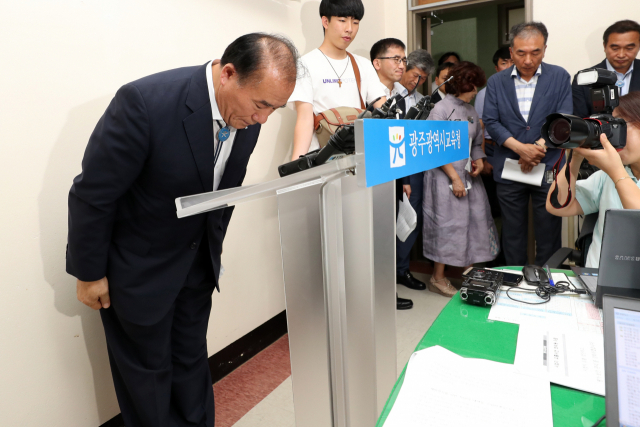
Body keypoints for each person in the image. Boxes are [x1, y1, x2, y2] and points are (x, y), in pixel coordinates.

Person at [66, 33, 299, 427]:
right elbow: (93, 193)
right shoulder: (146, 102)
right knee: (147, 378)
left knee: (191, 362)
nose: (263, 119)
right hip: (139, 270)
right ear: (228, 74)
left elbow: (222, 194)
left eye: (274, 109)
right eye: (261, 105)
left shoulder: (248, 118)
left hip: (195, 268)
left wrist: (212, 256)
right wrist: (89, 273)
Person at [483, 22, 572, 267]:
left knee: (549, 230)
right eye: (521, 53)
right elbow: (491, 120)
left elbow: (563, 117)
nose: (528, 59)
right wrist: (521, 149)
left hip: (548, 164)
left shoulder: (560, 76)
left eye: (536, 52)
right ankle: (514, 280)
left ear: (544, 49)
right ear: (511, 52)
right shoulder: (496, 82)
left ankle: (547, 281)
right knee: (512, 231)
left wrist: (537, 148)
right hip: (510, 165)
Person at [423, 61, 499, 296]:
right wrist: (454, 178)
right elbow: (434, 148)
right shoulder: (440, 110)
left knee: (475, 223)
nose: (476, 92)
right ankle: (438, 277)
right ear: (462, 85)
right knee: (447, 225)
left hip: (468, 176)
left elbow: (476, 144)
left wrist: (479, 161)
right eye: (473, 87)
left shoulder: (472, 111)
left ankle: (470, 274)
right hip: (443, 177)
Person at [546, 92, 640, 267]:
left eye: (620, 125)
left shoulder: (613, 173)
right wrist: (575, 160)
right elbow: (557, 206)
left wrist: (616, 171)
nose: (612, 135)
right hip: (595, 281)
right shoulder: (606, 177)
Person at [289, 0, 387, 161]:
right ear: (325, 21)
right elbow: (305, 119)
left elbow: (384, 109)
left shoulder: (363, 65)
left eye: (355, 22)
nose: (350, 28)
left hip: (359, 158)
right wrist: (296, 165)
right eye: (342, 21)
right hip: (321, 158)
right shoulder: (305, 64)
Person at [370, 37, 415, 309]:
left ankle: (387, 291)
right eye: (395, 59)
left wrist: (405, 180)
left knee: (389, 234)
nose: (401, 65)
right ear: (377, 63)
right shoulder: (367, 92)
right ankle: (377, 293)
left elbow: (403, 138)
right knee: (374, 236)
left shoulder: (401, 95)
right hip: (373, 174)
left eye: (403, 59)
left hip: (394, 174)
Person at [394, 50, 436, 297]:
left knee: (410, 221)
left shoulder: (422, 101)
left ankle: (402, 269)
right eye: (415, 76)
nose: (418, 82)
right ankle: (386, 273)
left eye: (423, 78)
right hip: (393, 171)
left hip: (415, 170)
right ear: (404, 68)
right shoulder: (385, 95)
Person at [474, 47, 513, 266]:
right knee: (491, 207)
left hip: (514, 152)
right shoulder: (485, 93)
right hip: (490, 150)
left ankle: (509, 257)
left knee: (510, 208)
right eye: (504, 63)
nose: (508, 67)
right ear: (496, 67)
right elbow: (480, 127)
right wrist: (485, 158)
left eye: (511, 63)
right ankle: (490, 258)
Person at [573, 20, 640, 118]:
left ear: (638, 47)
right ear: (604, 46)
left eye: (629, 48)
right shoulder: (584, 78)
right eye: (615, 48)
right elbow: (580, 121)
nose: (621, 55)